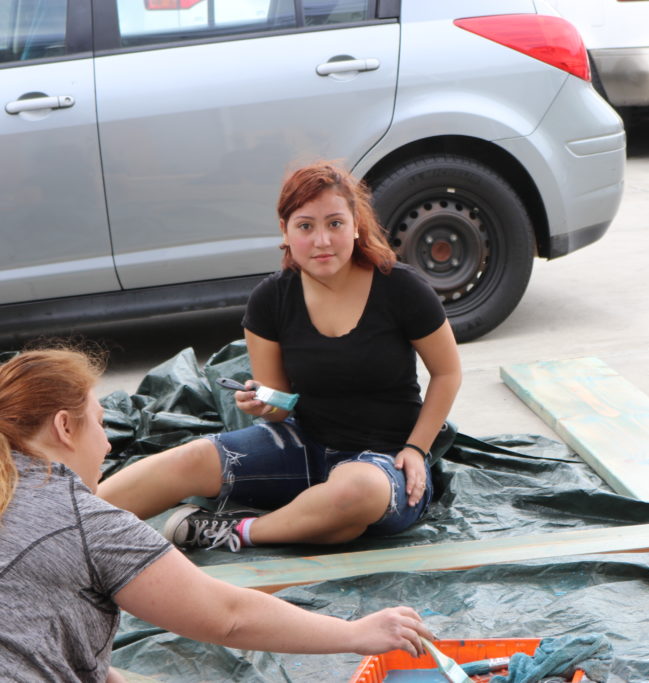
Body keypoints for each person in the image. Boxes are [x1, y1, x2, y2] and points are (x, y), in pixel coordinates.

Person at [0, 348, 434, 683]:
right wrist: (356, 633)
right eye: (100, 424)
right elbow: (228, 616)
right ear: (63, 427)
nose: (110, 445)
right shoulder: (87, 523)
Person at [98, 161, 462, 552]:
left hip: (383, 461)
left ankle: (235, 532)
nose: (322, 240)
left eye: (335, 223)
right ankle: (64, 523)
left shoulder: (402, 288)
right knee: (189, 458)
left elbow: (447, 373)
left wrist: (416, 449)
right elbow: (280, 409)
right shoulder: (270, 300)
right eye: (305, 226)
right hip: (302, 447)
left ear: (356, 225)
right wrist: (260, 402)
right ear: (285, 232)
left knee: (353, 495)